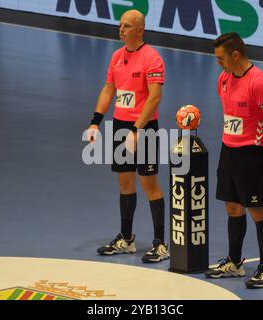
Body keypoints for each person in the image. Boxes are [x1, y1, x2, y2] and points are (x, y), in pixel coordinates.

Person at [86, 9, 169, 263]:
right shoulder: (116, 56)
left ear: (140, 30)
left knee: (149, 184)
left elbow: (155, 97)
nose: (121, 29)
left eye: (127, 26)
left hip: (143, 129)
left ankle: (160, 243)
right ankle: (126, 238)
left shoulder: (152, 58)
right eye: (120, 25)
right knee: (125, 183)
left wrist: (137, 130)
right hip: (120, 126)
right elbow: (109, 90)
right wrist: (95, 123)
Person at [204, 33, 263, 288]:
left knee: (257, 210)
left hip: (252, 154)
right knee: (232, 207)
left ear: (235, 55)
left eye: (221, 58)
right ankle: (235, 263)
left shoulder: (260, 83)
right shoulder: (223, 79)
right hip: (229, 150)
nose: (218, 63)